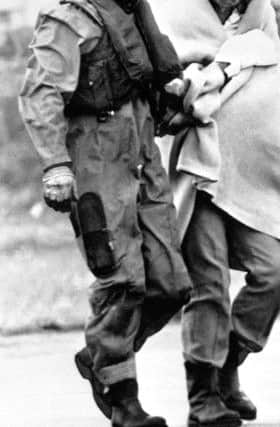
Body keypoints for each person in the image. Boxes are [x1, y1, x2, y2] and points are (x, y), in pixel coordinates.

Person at [149, 0, 280, 426]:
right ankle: (203, 398)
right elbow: (159, 91)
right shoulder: (172, 10)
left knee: (275, 270)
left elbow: (271, 81)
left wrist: (230, 69)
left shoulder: (259, 10)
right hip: (197, 172)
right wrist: (196, 89)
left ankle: (228, 367)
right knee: (207, 283)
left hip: (253, 176)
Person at [19, 1, 192, 426]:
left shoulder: (132, 9)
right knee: (122, 278)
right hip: (94, 151)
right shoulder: (68, 18)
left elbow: (149, 72)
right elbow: (41, 93)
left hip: (140, 143)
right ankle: (122, 399)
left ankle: (101, 356)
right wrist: (56, 165)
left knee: (171, 282)